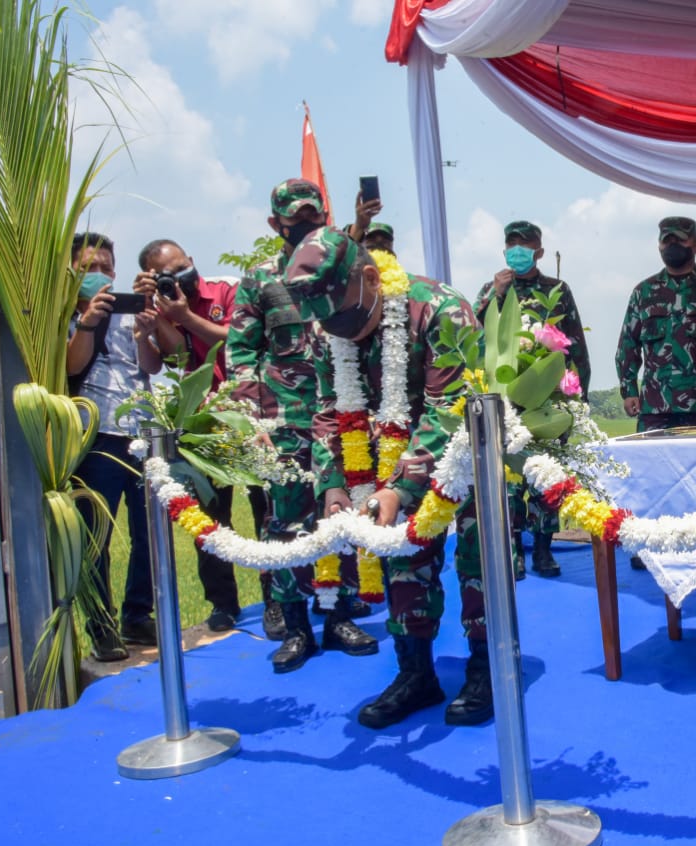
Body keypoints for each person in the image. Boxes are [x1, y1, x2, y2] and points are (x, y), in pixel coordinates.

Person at [287, 227, 494, 729]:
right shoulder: (328, 329)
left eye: (345, 315)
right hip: (382, 466)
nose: (339, 330)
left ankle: (487, 668)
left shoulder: (440, 308)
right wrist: (333, 482)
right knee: (403, 564)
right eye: (327, 321)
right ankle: (415, 673)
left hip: (464, 459)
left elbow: (450, 406)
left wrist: (401, 487)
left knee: (478, 561)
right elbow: (327, 409)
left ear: (372, 278)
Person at [227, 179, 378, 672]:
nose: (309, 225)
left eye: (316, 218)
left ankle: (336, 616)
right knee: (288, 524)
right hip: (285, 421)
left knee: (342, 517)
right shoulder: (259, 281)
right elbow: (242, 356)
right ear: (277, 224)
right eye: (299, 220)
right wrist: (252, 420)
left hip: (344, 416)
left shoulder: (342, 268)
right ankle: (295, 627)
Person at [135, 239, 267, 633]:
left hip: (251, 414)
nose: (179, 278)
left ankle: (277, 596)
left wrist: (187, 318)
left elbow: (237, 341)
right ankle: (223, 603)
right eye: (167, 275)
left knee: (267, 509)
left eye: (182, 268)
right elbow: (170, 362)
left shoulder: (226, 290)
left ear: (192, 260)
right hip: (205, 423)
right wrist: (152, 322)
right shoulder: (161, 307)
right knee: (212, 515)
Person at [473, 220, 591, 579]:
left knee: (545, 477)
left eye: (526, 245)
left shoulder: (556, 289)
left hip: (545, 400)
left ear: (539, 251)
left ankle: (542, 549)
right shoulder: (491, 290)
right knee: (509, 480)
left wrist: (576, 397)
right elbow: (477, 337)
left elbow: (574, 345)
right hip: (506, 402)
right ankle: (513, 551)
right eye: (513, 244)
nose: (519, 250)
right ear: (504, 249)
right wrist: (495, 293)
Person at [66, 232, 163, 660]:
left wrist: (146, 332)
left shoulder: (129, 312)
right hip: (94, 435)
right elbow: (71, 365)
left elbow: (153, 366)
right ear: (71, 272)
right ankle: (101, 626)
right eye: (90, 268)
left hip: (141, 435)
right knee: (95, 536)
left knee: (149, 533)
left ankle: (138, 616)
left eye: (107, 267)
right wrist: (88, 320)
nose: (101, 275)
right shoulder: (62, 314)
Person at [616, 216, 696, 433]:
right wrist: (628, 389)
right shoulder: (643, 292)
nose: (673, 246)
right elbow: (628, 344)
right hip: (655, 407)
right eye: (667, 241)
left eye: (681, 241)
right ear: (659, 247)